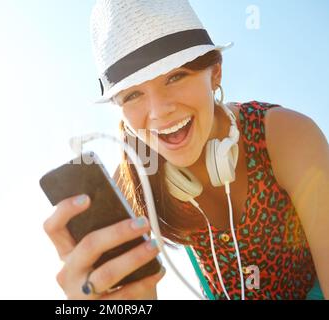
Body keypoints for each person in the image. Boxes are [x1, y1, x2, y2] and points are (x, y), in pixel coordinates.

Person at [43, 0, 328, 300]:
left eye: (175, 76)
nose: (159, 112)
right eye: (133, 94)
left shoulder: (286, 136)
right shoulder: (134, 178)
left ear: (215, 72)